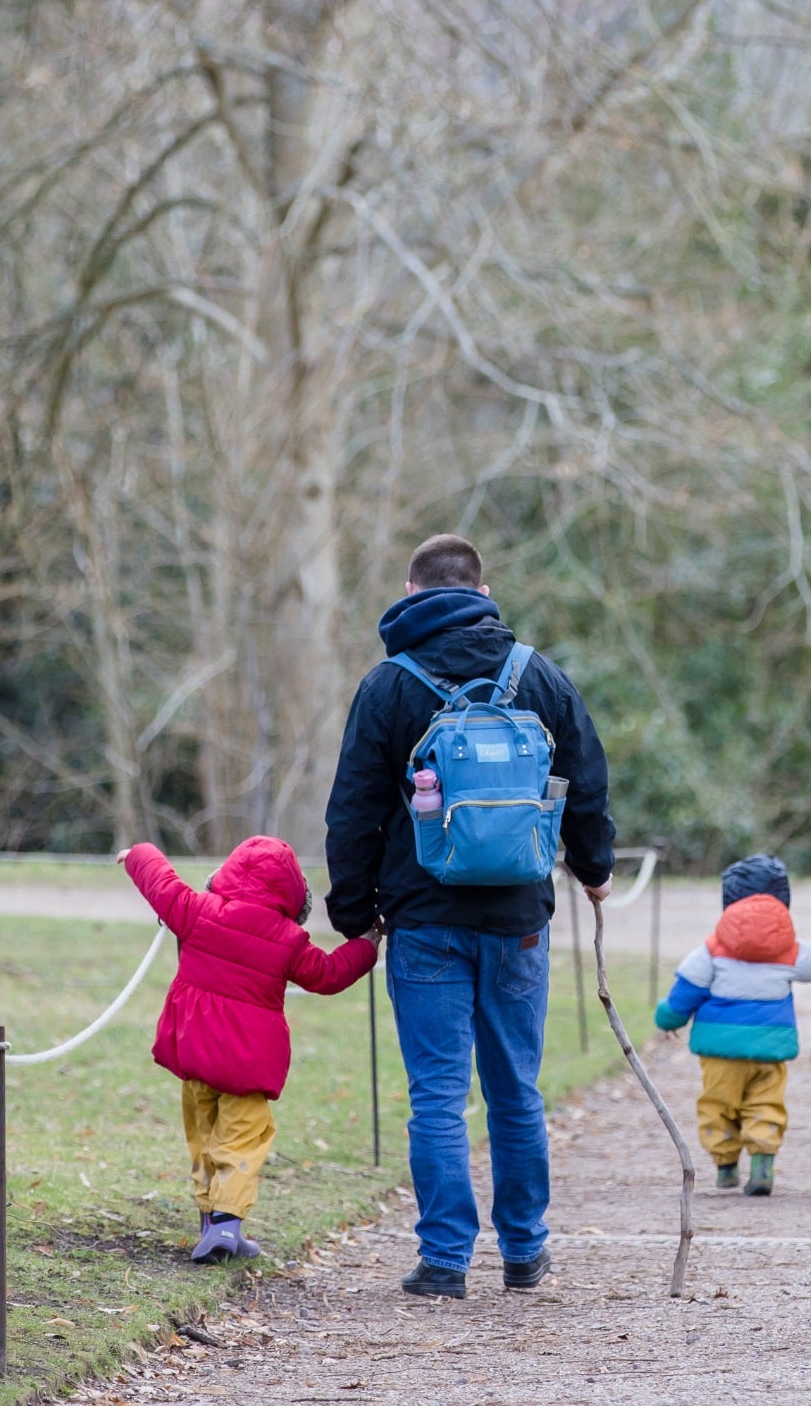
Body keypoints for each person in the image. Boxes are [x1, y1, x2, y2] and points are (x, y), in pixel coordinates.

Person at [325, 533, 616, 1299]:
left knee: (437, 1097)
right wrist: (594, 870)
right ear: (484, 597)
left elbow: (353, 809)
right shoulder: (540, 678)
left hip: (422, 917)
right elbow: (583, 783)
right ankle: (524, 1251)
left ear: (409, 591)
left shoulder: (388, 686)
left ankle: (445, 1260)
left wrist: (354, 911)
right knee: (516, 1089)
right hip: (519, 916)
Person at [120, 837, 378, 1263]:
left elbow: (160, 883)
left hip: (196, 1055)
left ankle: (212, 1224)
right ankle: (224, 1226)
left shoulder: (197, 911)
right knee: (240, 1141)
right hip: (246, 1067)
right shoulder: (288, 940)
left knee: (202, 1138)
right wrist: (368, 943)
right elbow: (329, 975)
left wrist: (137, 854)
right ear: (292, 896)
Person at [651, 854, 811, 1196]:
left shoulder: (712, 949)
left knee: (718, 1104)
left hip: (720, 1053)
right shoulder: (789, 950)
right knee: (765, 1105)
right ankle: (762, 1166)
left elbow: (685, 992)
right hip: (769, 1050)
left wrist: (667, 1018)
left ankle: (726, 1167)